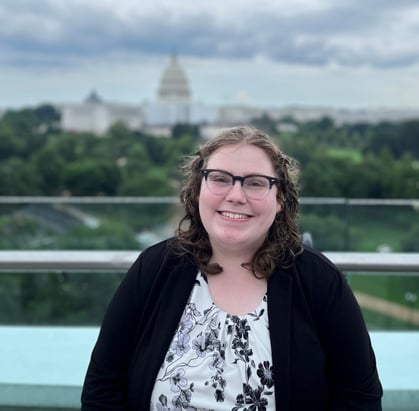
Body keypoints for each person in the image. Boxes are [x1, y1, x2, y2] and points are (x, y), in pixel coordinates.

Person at [81, 125, 382, 410]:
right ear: (198, 188)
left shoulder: (320, 283)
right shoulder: (154, 269)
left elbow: (359, 397)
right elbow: (103, 386)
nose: (236, 195)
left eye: (255, 183)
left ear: (279, 199)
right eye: (221, 178)